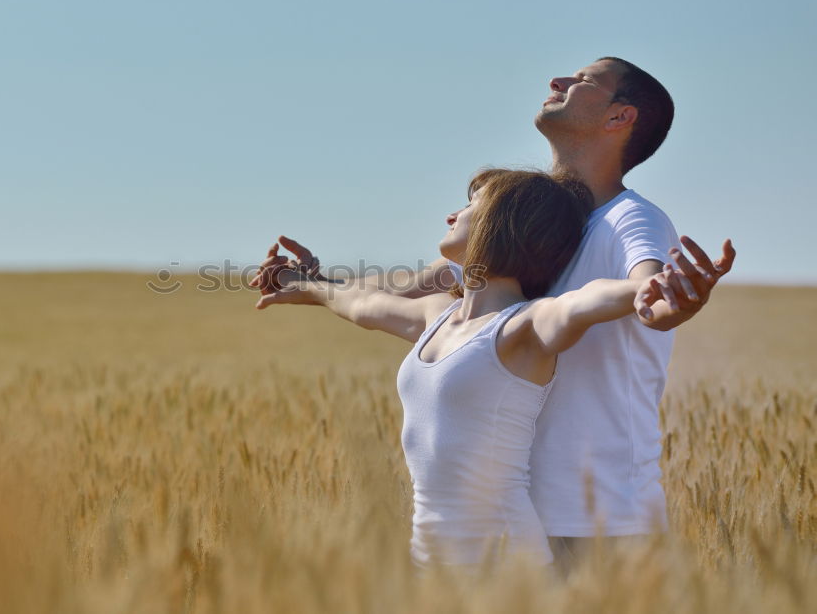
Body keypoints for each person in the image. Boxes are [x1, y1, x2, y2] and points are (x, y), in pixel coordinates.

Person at [251, 57, 736, 571]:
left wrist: (664, 302)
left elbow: (643, 289)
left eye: (585, 81)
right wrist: (311, 282)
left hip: (596, 518)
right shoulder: (527, 232)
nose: (558, 81)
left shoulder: (629, 218)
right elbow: (395, 294)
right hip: (520, 508)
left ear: (620, 118)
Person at [256, 168, 682, 568]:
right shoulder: (436, 315)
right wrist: (303, 282)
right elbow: (362, 305)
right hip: (430, 556)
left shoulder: (522, 327)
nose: (451, 214)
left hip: (503, 562)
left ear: (504, 223)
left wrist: (648, 286)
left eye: (470, 205)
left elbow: (583, 301)